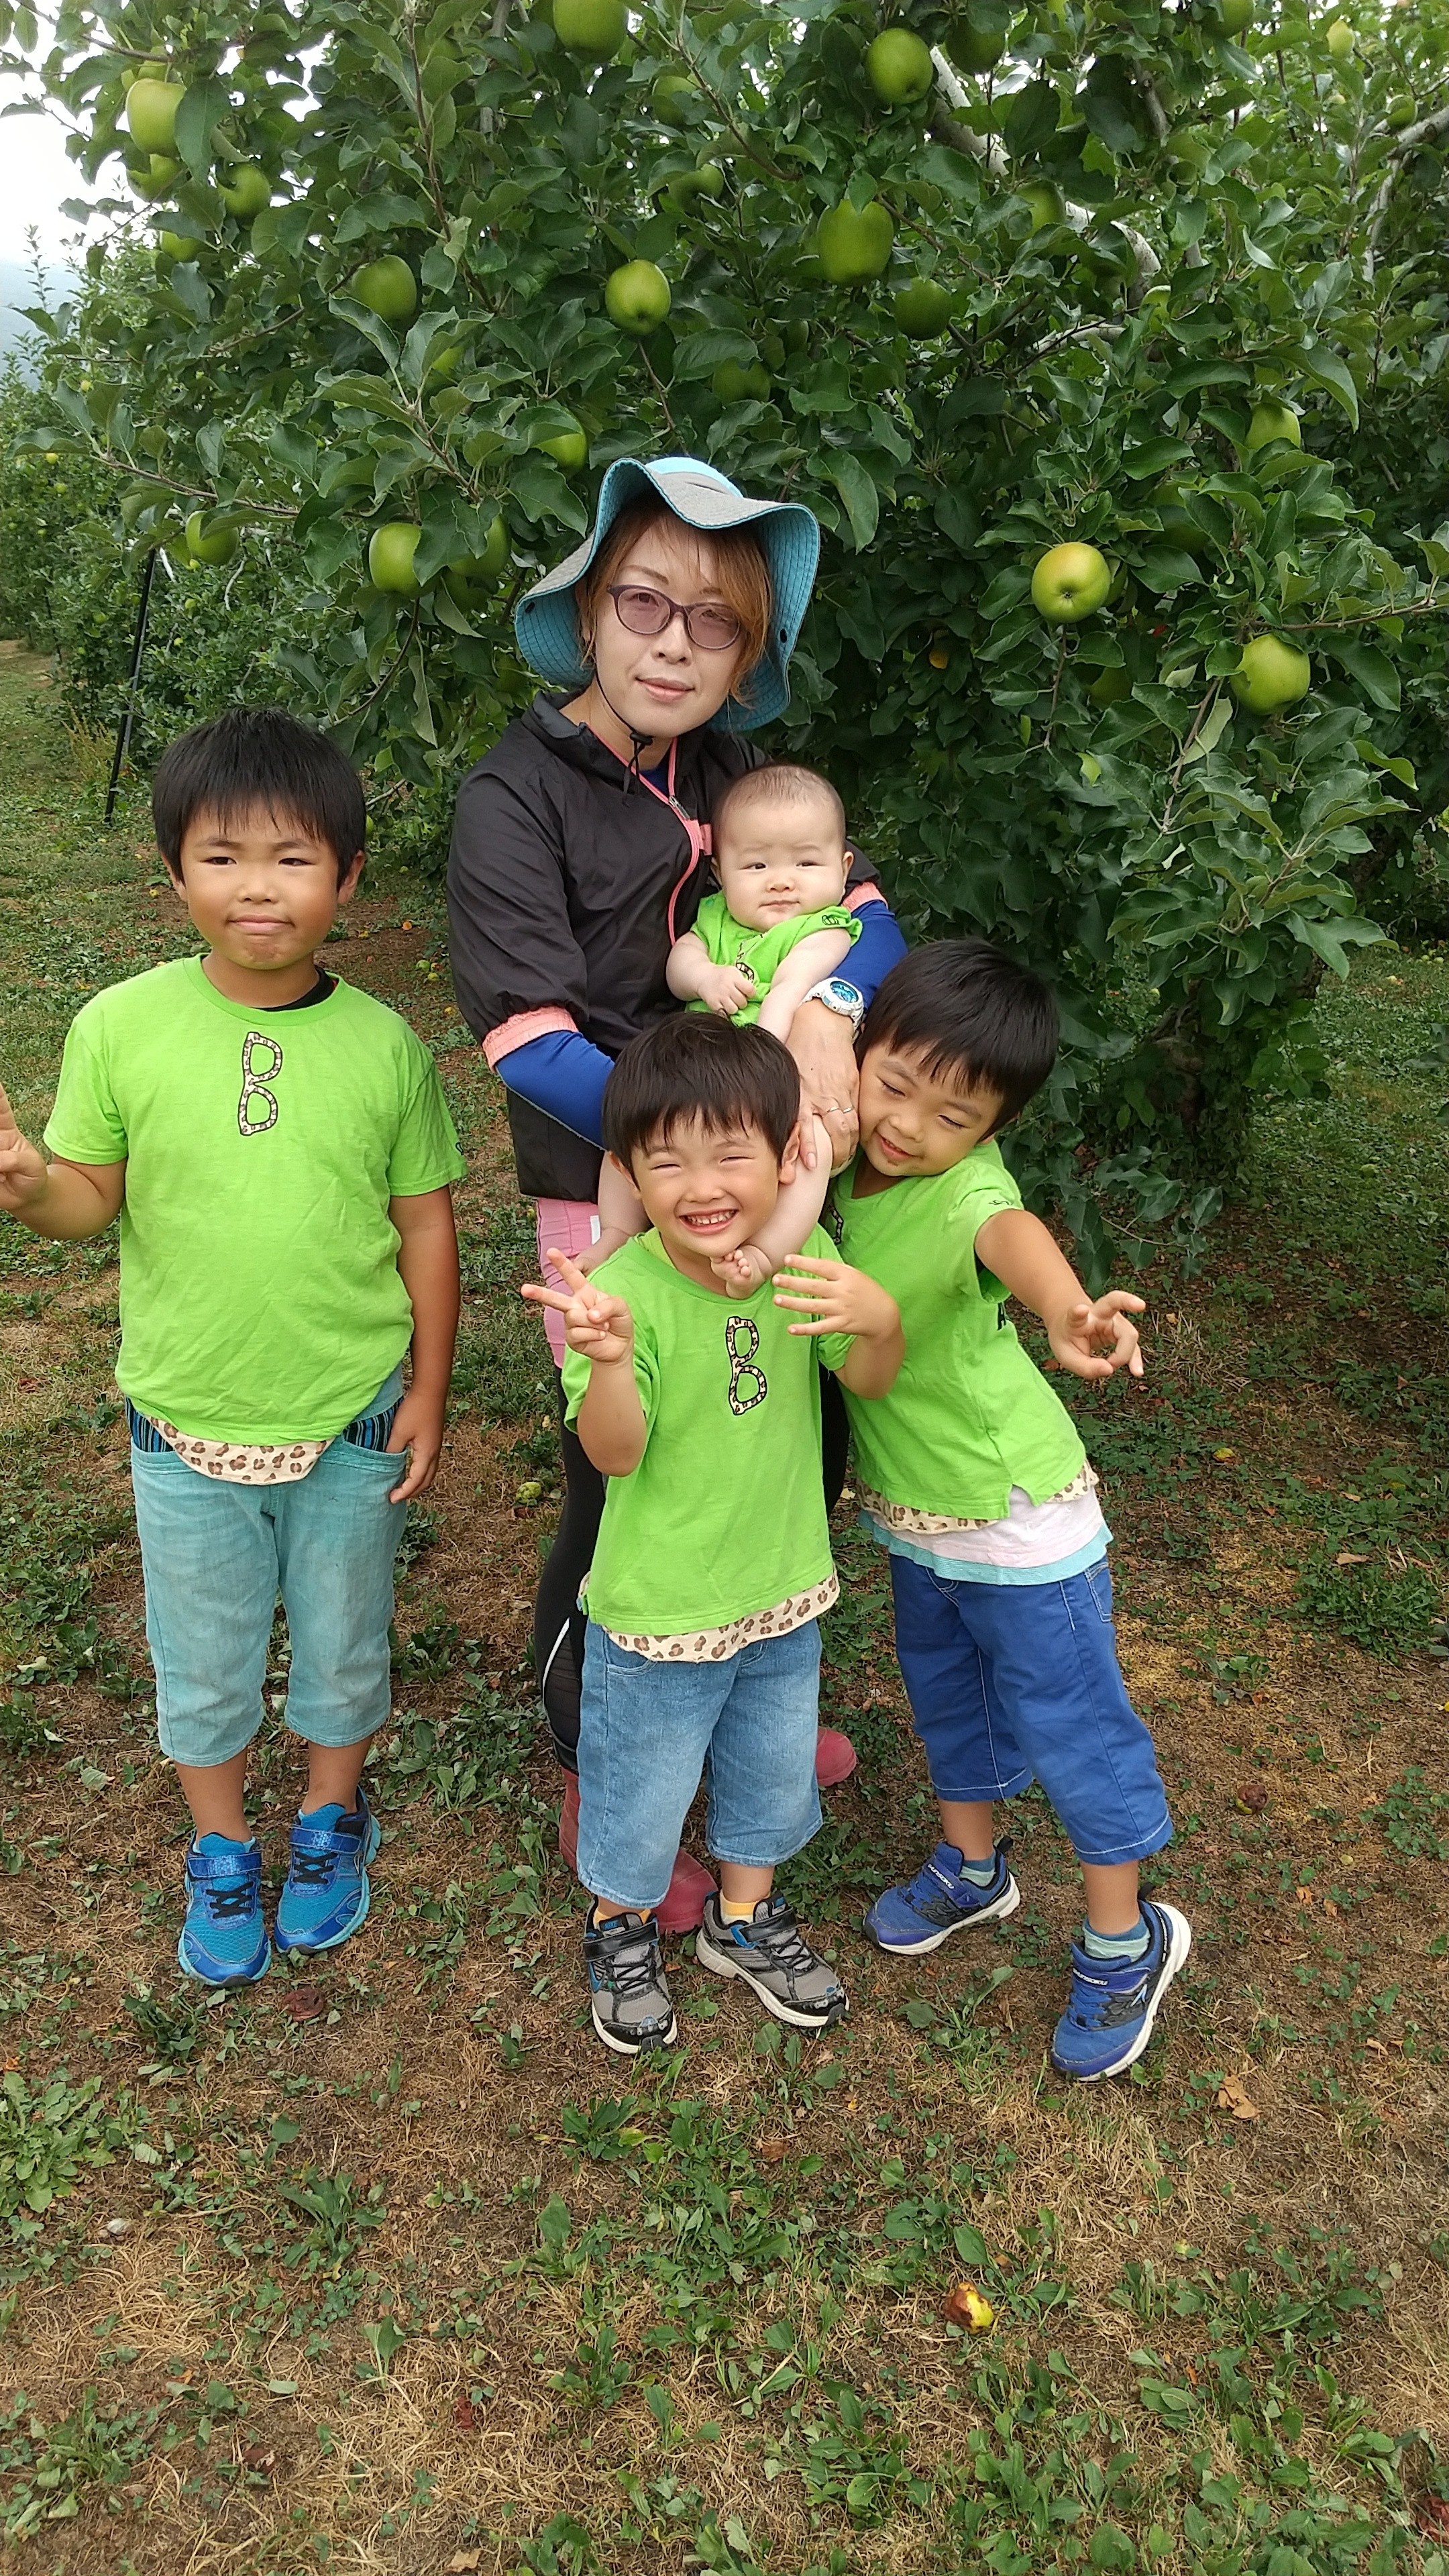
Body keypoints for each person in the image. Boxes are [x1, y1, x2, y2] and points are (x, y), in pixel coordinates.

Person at [447, 454, 908, 1927]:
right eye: (645, 601)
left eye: (713, 623)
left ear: (746, 657)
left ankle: (748, 1708)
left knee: (783, 1435)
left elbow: (866, 912)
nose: (671, 642)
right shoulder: (516, 798)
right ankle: (603, 1743)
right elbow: (526, 1041)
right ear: (587, 611)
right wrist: (686, 1139)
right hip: (610, 1189)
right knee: (623, 1467)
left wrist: (833, 1012)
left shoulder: (733, 779)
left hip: (771, 1183)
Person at [0, 710, 463, 1988]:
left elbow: (424, 1224)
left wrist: (427, 1387)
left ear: (349, 878)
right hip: (185, 1419)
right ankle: (219, 1845)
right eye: (222, 856)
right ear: (173, 874)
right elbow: (93, 1200)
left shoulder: (384, 1045)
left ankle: (327, 1819)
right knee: (201, 1658)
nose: (257, 886)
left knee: (343, 1637)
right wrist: (34, 1180)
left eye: (294, 857)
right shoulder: (117, 1027)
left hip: (350, 1411)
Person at [830, 941, 1191, 2084]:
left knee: (1073, 1726)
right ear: (860, 1048)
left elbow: (1016, 1242)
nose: (909, 1126)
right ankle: (973, 1867)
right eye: (894, 1084)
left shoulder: (970, 1191)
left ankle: (1125, 1941)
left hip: (1016, 1520)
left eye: (953, 1114)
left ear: (991, 1129)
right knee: (948, 1698)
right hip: (917, 1516)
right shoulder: (837, 1163)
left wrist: (1069, 1308)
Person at [523, 1014, 902, 2055]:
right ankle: (621, 1924)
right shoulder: (622, 1298)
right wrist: (603, 1360)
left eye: (732, 1153)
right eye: (667, 1160)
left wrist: (880, 1323)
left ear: (787, 1160)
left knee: (771, 1769)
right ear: (628, 1175)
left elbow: (864, 1385)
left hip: (782, 1588)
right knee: (640, 1784)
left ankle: (745, 1917)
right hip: (657, 1614)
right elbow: (615, 1455)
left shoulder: (804, 1258)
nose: (703, 1186)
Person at [590, 759, 856, 1280]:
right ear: (719, 873)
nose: (781, 883)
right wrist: (705, 979)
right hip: (695, 1072)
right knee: (633, 1122)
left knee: (814, 1148)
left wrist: (759, 1057)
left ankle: (766, 1252)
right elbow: (677, 965)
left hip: (774, 1075)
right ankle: (618, 1232)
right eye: (757, 867)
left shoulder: (828, 927)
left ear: (844, 870)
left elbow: (789, 989)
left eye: (806, 864)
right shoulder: (715, 917)